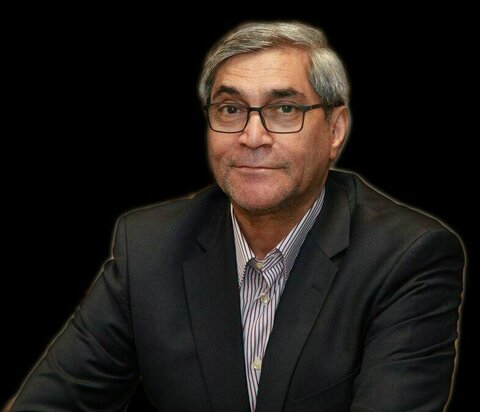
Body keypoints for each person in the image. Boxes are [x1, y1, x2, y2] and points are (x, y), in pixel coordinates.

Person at [9, 21, 464, 412]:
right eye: (231, 109)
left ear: (335, 130)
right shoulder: (148, 248)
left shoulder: (406, 257)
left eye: (284, 109)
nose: (252, 136)